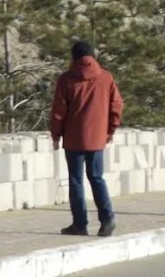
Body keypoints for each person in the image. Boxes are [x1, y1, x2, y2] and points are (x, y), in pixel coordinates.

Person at [50, 40, 124, 237]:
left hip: (73, 138)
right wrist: (110, 131)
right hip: (98, 138)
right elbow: (116, 106)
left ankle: (80, 224)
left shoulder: (66, 79)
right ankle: (107, 219)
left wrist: (55, 135)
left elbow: (59, 111)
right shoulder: (106, 78)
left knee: (76, 181)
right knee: (97, 177)